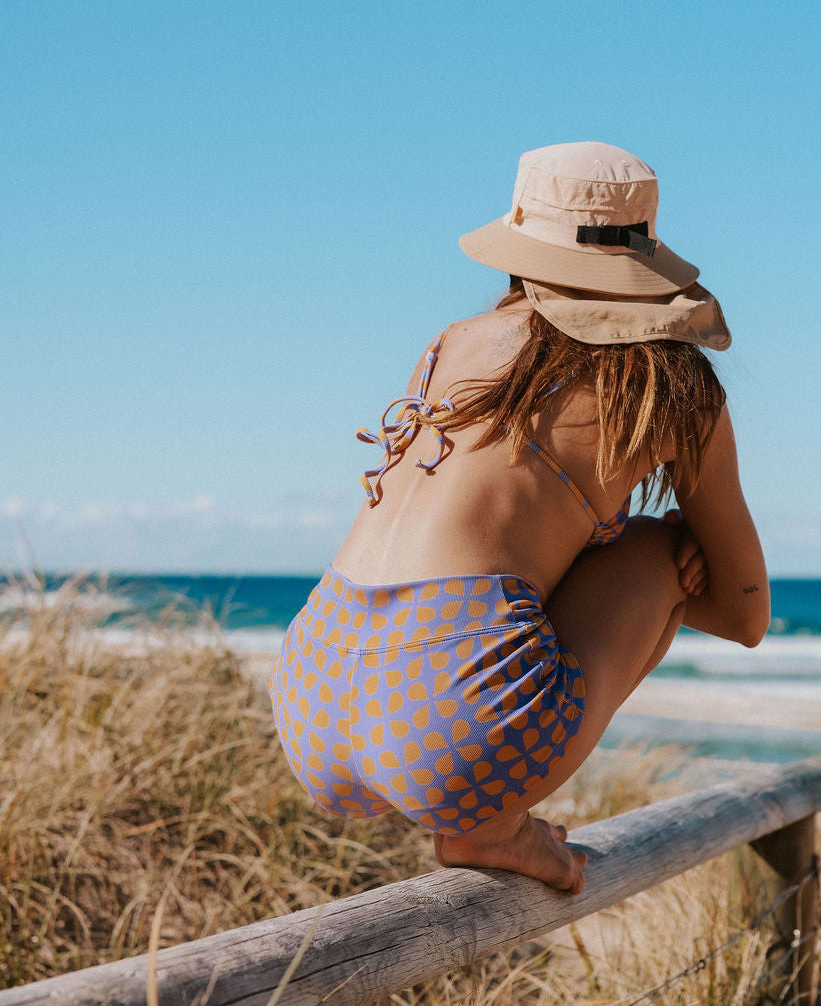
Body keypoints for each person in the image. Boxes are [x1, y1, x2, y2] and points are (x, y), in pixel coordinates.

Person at [270, 141, 769, 896]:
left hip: (312, 686)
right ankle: (492, 826)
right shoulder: (664, 384)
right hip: (457, 720)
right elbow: (743, 613)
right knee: (657, 550)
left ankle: (480, 799)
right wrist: (658, 557)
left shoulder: (451, 344)